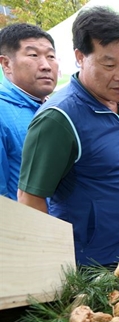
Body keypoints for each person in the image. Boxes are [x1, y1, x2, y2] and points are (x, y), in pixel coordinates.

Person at [18, 6, 119, 268]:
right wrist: (53, 266)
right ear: (81, 56)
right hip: (90, 264)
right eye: (109, 64)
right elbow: (29, 198)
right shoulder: (59, 118)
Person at [0, 23, 57, 201]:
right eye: (33, 55)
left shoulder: (57, 107)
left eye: (51, 56)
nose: (46, 65)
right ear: (6, 64)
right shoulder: (3, 112)